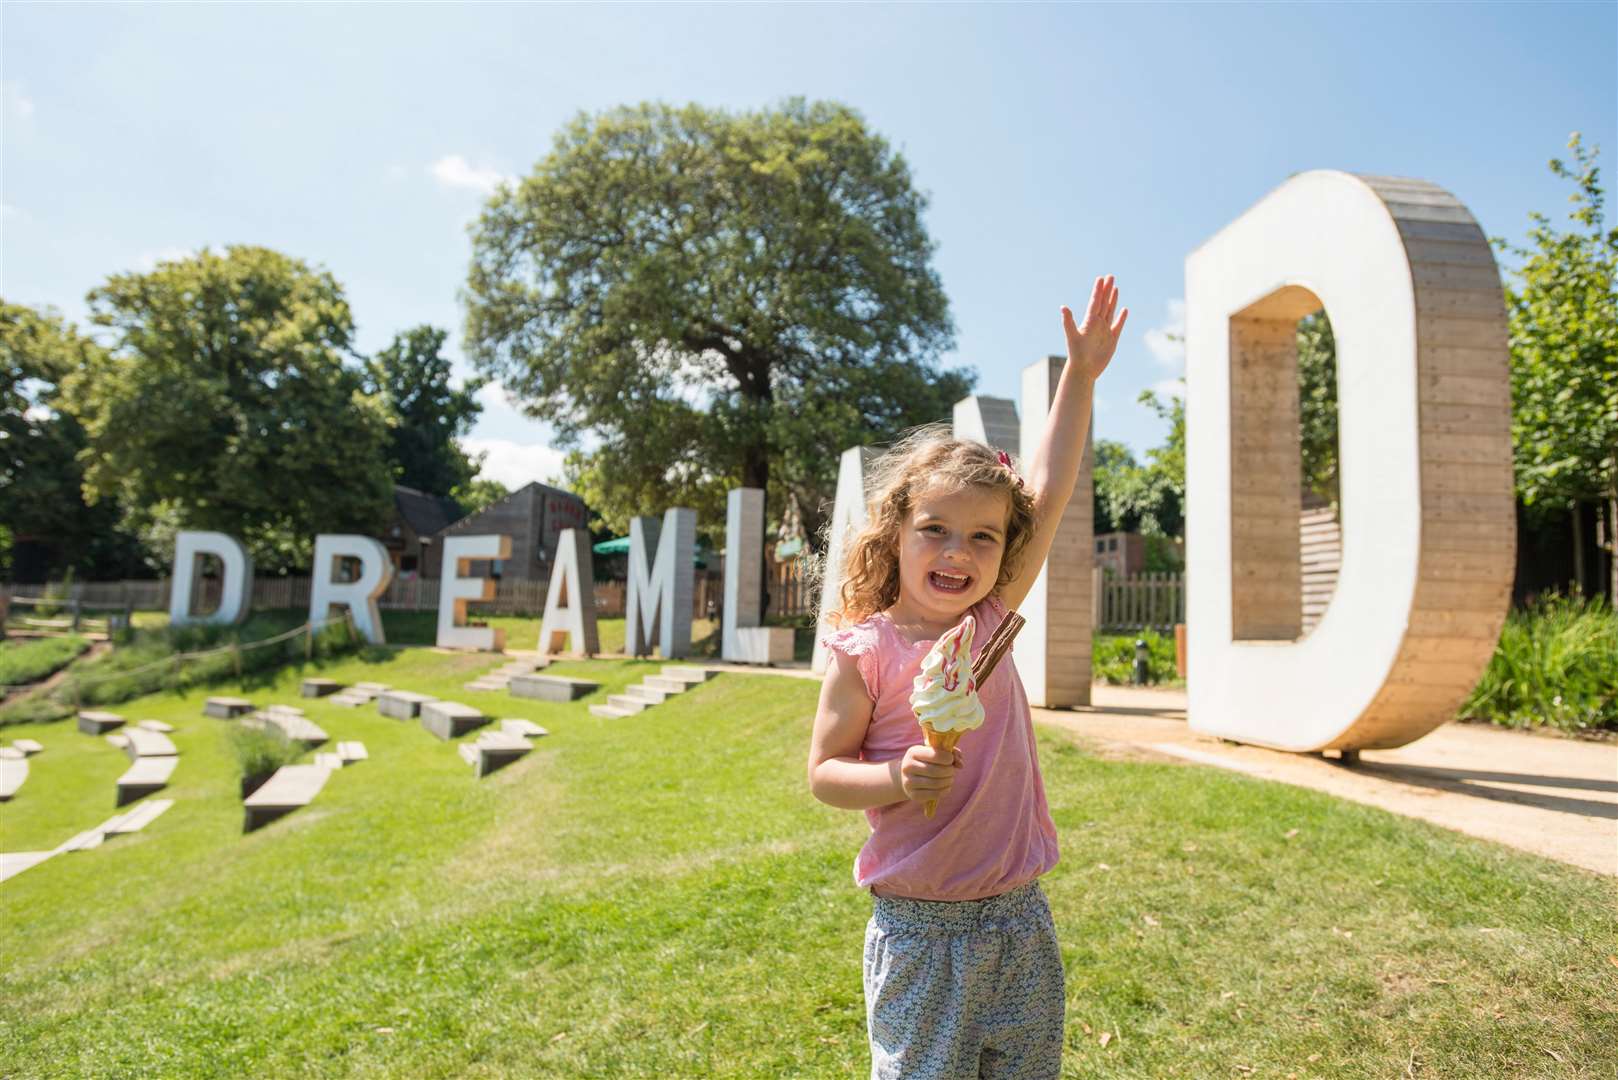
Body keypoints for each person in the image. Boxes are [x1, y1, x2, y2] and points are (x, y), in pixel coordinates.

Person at [807, 276, 1127, 1079]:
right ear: (896, 534)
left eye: (984, 538)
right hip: (918, 927)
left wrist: (1079, 379)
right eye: (936, 530)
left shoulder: (988, 625)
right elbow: (823, 775)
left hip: (1020, 916)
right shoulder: (867, 650)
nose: (959, 552)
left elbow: (1048, 491)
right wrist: (894, 775)